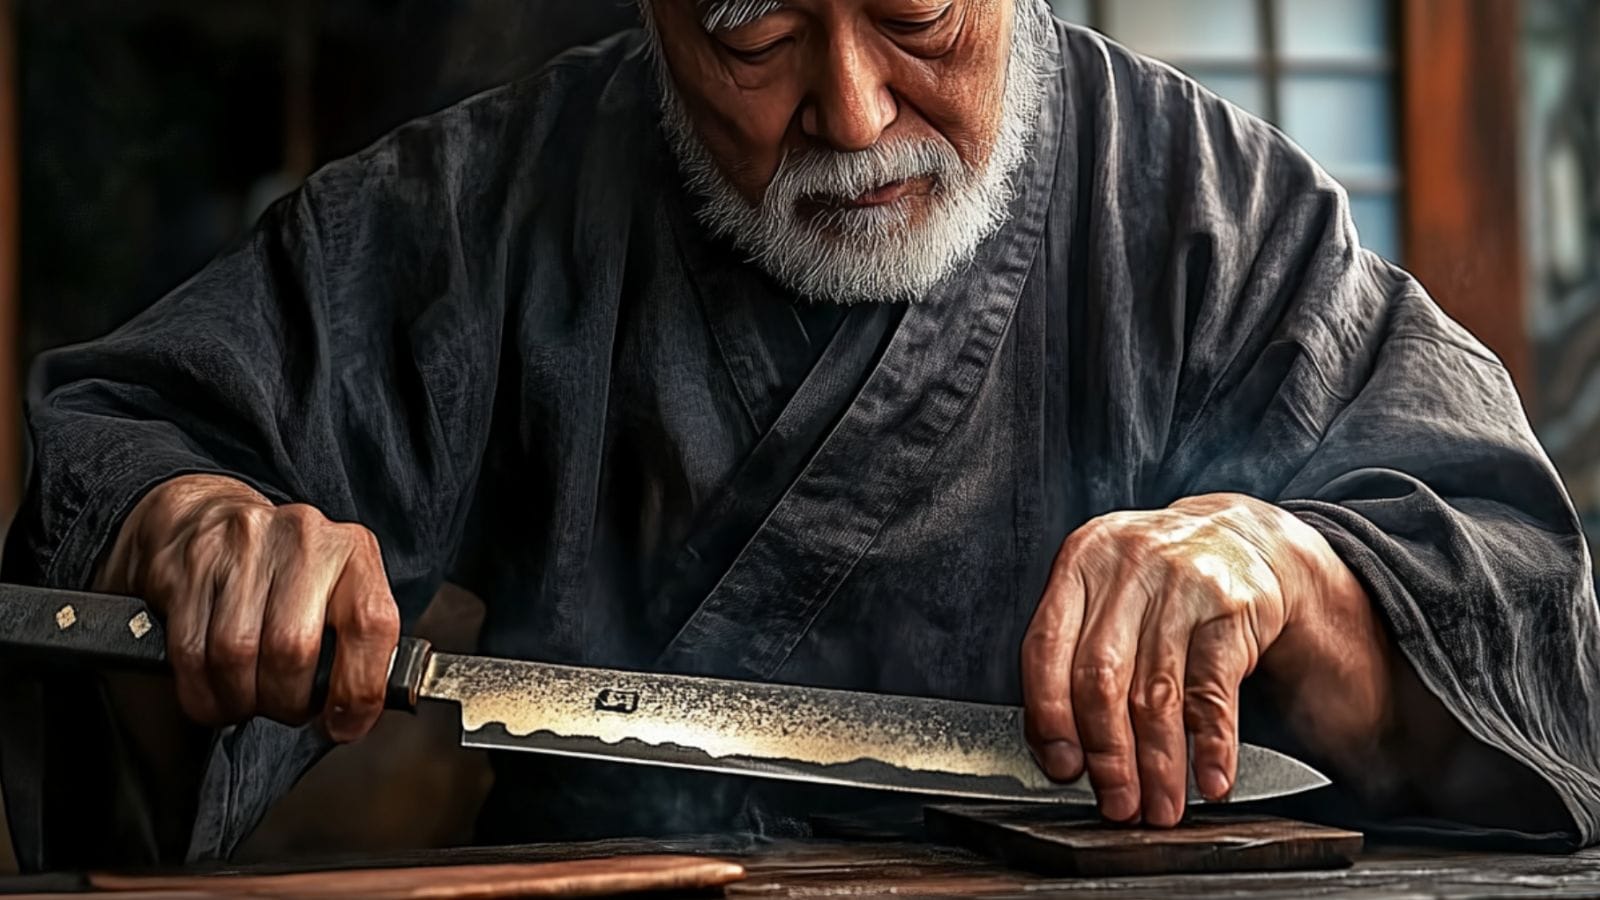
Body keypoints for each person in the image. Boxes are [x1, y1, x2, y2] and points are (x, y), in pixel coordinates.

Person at [4, 0, 1599, 868]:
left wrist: (1294, 572)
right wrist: (193, 530)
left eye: (913, 9)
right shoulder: (497, 206)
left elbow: (1528, 609)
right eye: (751, 27)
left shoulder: (1204, 211)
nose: (849, 111)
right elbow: (136, 445)